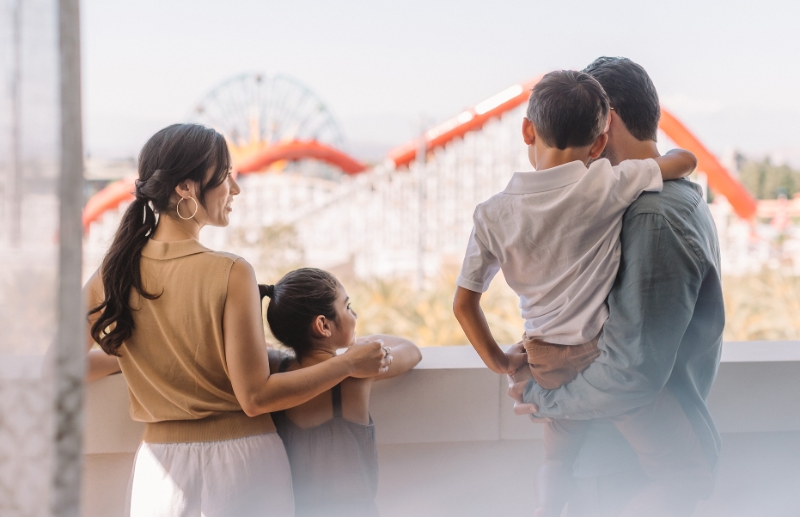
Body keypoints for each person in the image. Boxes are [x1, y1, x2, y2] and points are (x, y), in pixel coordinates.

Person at [83, 123, 391, 517]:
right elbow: (256, 397)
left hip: (159, 473)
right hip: (243, 470)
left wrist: (142, 353)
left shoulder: (112, 273)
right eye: (227, 175)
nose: (236, 188)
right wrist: (348, 362)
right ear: (186, 188)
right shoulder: (230, 271)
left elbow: (57, 369)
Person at [452, 70, 698, 517]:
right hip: (597, 352)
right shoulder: (602, 184)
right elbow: (682, 163)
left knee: (555, 459)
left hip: (543, 356)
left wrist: (502, 362)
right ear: (600, 143)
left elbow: (464, 303)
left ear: (527, 129)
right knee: (680, 468)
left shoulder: (490, 214)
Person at [510, 57, 724, 517]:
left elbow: (631, 372)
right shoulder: (666, 197)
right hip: (620, 463)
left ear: (607, 123)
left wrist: (546, 398)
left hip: (622, 473)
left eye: (585, 128)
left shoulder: (652, 215)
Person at [260, 268, 422, 517]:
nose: (354, 314)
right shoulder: (355, 378)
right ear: (323, 325)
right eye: (347, 307)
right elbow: (411, 350)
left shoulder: (275, 368)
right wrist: (361, 350)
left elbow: (260, 349)